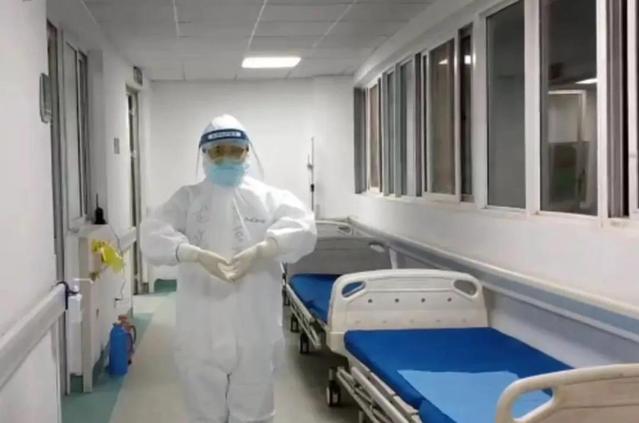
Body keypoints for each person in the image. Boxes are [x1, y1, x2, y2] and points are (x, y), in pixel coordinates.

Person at [140, 114, 317, 423]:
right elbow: (152, 234)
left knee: (253, 412)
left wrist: (264, 249)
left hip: (255, 325)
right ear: (204, 154)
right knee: (203, 412)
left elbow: (304, 229)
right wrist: (192, 253)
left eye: (234, 150)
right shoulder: (188, 199)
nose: (226, 158)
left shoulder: (269, 198)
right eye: (217, 151)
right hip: (200, 328)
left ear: (247, 151)